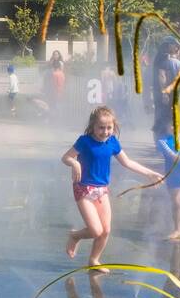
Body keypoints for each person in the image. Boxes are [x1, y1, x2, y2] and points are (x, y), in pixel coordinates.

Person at [61, 106, 163, 269]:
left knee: (106, 230)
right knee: (96, 230)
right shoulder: (84, 141)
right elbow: (66, 157)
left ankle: (94, 260)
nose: (105, 132)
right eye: (101, 128)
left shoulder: (112, 142)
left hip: (101, 190)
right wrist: (74, 163)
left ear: (114, 127)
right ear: (93, 126)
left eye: (109, 128)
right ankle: (75, 236)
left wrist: (149, 173)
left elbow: (127, 162)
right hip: (84, 189)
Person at [157, 130, 180, 239]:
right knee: (177, 202)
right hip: (173, 174)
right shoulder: (163, 141)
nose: (175, 127)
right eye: (172, 124)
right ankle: (177, 229)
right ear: (166, 126)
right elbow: (173, 156)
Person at [149, 37, 180, 152]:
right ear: (169, 46)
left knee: (162, 118)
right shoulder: (165, 60)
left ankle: (162, 143)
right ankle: (166, 143)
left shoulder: (161, 60)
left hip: (165, 96)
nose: (177, 48)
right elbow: (162, 76)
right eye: (175, 46)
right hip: (168, 96)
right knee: (166, 119)